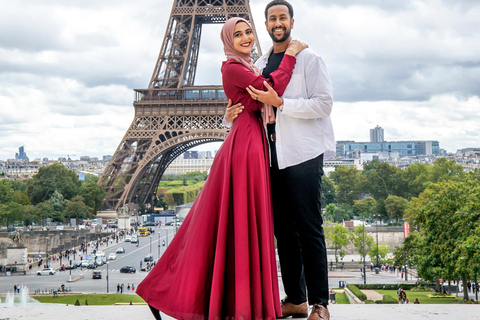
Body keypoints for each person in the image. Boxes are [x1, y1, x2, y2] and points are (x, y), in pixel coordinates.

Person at [136, 17, 306, 320]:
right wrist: (291, 54)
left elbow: (258, 97)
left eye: (248, 32)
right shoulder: (233, 68)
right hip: (245, 145)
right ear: (228, 40)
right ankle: (161, 290)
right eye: (237, 34)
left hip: (251, 139)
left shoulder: (249, 66)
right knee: (226, 221)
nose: (245, 38)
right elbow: (271, 88)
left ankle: (228, 300)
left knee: (221, 223)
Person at [226, 1, 334, 319]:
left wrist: (282, 102)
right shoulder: (258, 64)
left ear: (291, 21)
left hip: (302, 154)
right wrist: (226, 115)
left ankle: (320, 304)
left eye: (282, 17)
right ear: (266, 23)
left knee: (310, 227)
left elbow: (324, 104)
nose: (277, 22)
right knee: (283, 232)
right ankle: (296, 298)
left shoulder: (309, 59)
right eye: (272, 18)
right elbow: (247, 107)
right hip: (268, 155)